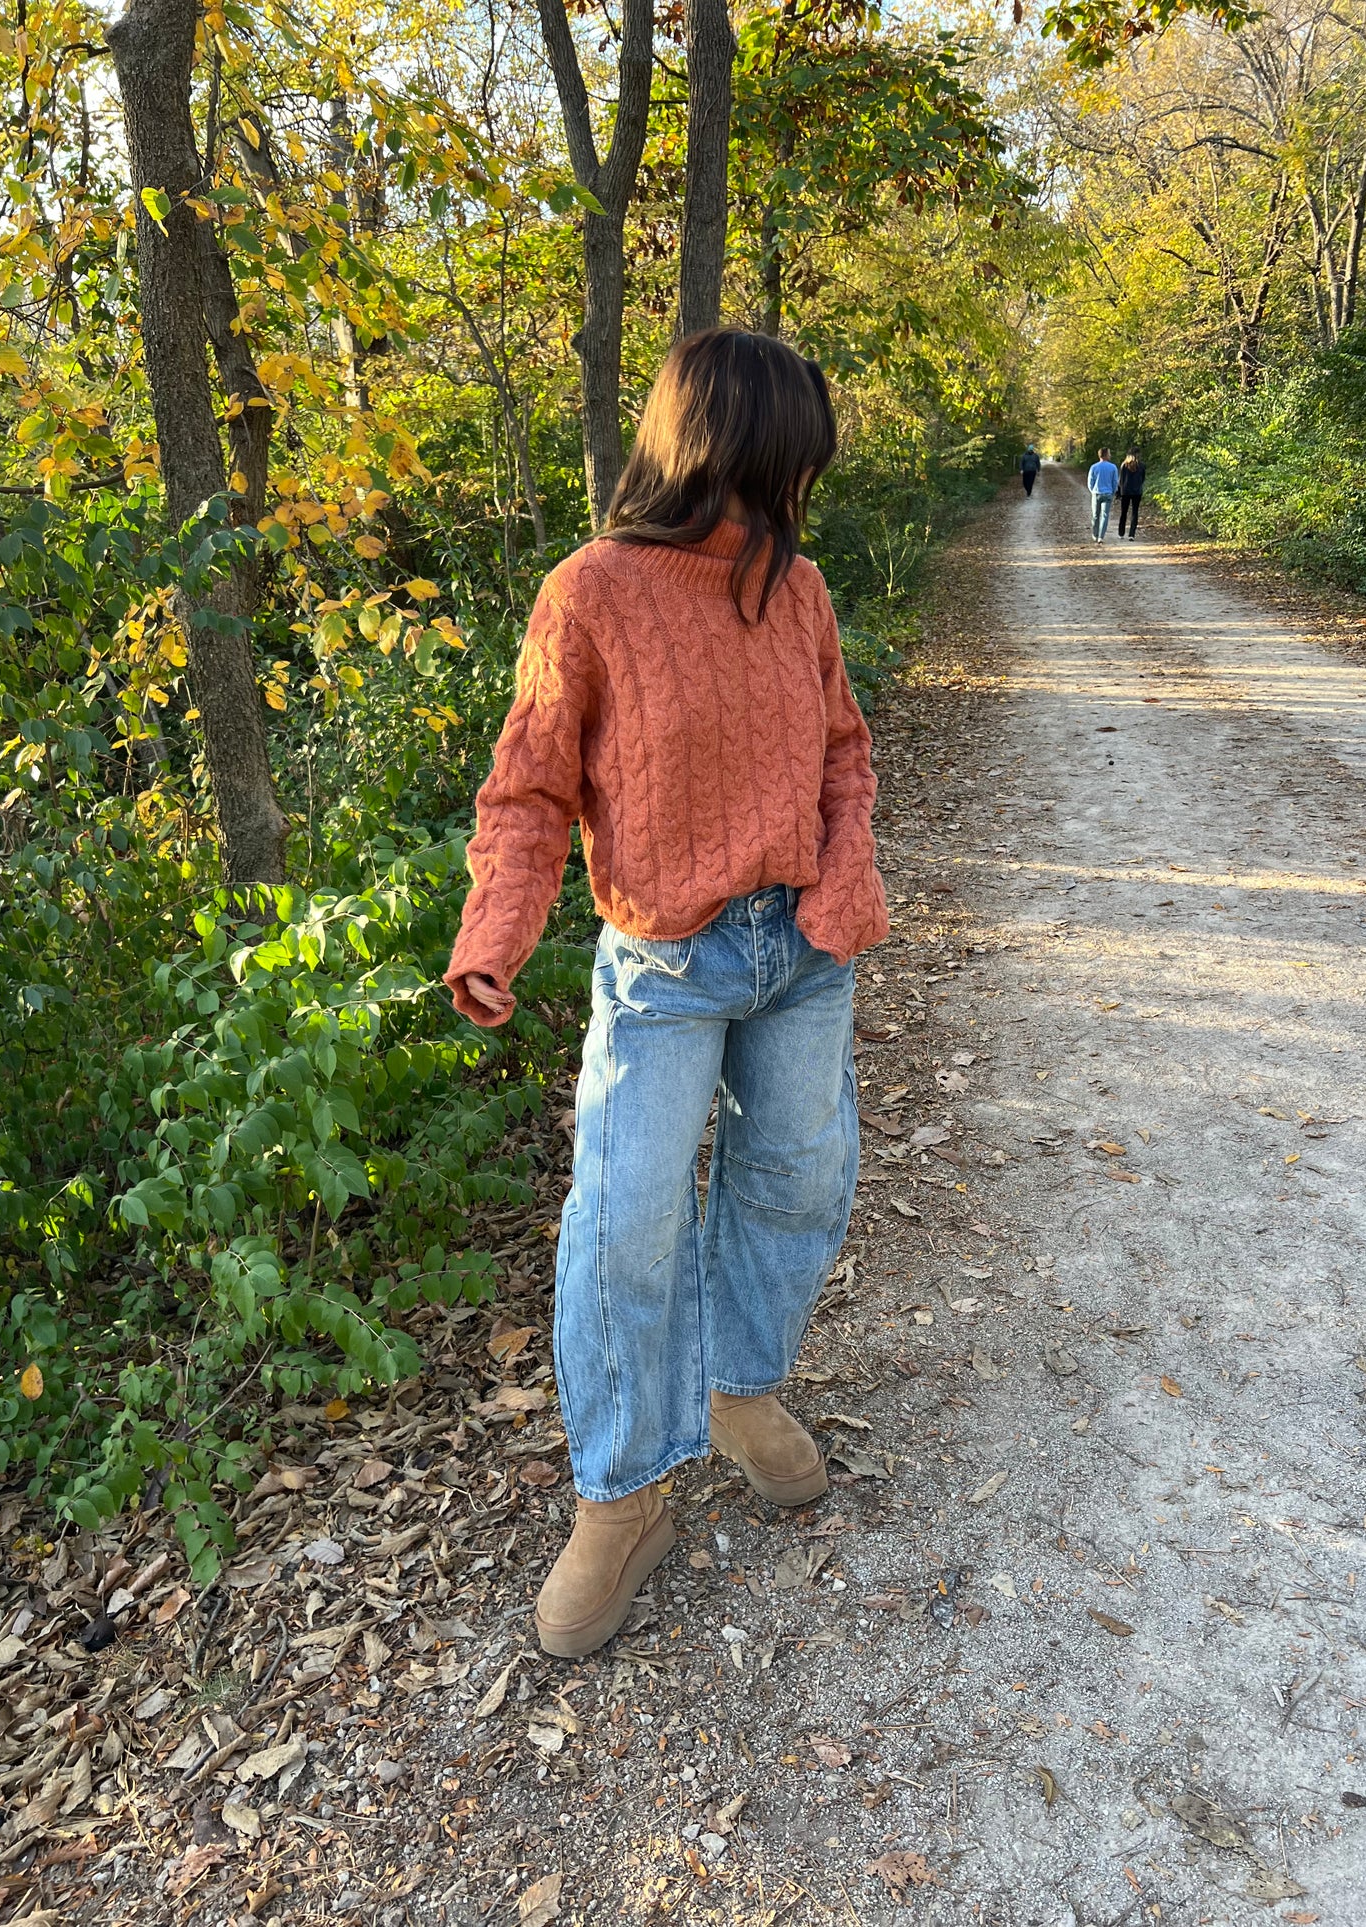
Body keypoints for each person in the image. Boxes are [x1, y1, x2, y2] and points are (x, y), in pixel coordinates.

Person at [445, 329, 889, 1659]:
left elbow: (843, 753)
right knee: (624, 1219)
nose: (797, 491)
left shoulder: (795, 588)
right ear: (729, 449)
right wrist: (495, 934)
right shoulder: (589, 591)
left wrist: (843, 880)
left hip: (799, 951)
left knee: (801, 1179)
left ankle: (739, 1387)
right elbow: (527, 786)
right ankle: (625, 1492)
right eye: (787, 463)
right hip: (664, 963)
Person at [1087, 448, 1118, 543]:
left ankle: (1095, 534)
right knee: (1105, 515)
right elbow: (1115, 482)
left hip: (1096, 493)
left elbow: (1090, 482)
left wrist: (1092, 490)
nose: (1110, 455)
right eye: (1109, 453)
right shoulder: (1113, 467)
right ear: (1105, 455)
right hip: (1108, 493)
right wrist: (1113, 492)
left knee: (1095, 515)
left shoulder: (1094, 467)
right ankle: (1101, 536)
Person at [1118, 448, 1145, 538]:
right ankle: (1132, 534)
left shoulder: (1124, 465)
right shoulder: (1141, 466)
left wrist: (1119, 491)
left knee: (1124, 512)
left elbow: (1121, 480)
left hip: (1125, 491)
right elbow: (1143, 478)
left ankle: (1121, 533)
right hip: (1137, 491)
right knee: (1135, 512)